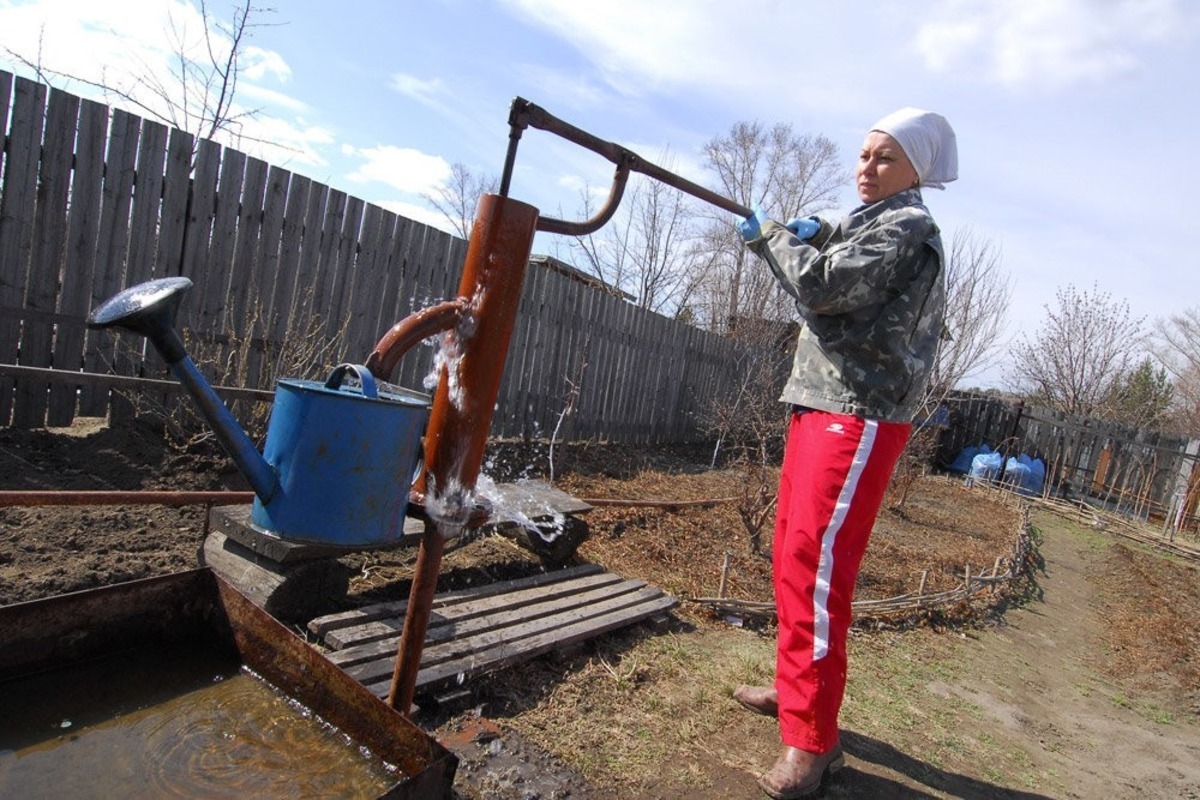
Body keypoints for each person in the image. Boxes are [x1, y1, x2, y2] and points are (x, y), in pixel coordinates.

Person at [733, 107, 958, 799]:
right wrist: (811, 227)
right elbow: (836, 239)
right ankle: (793, 689)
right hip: (822, 407)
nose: (866, 169)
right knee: (792, 554)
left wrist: (773, 236)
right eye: (862, 156)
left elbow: (825, 286)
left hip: (857, 416)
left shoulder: (909, 225)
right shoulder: (873, 220)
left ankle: (811, 740)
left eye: (884, 158)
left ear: (916, 168)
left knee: (817, 571)